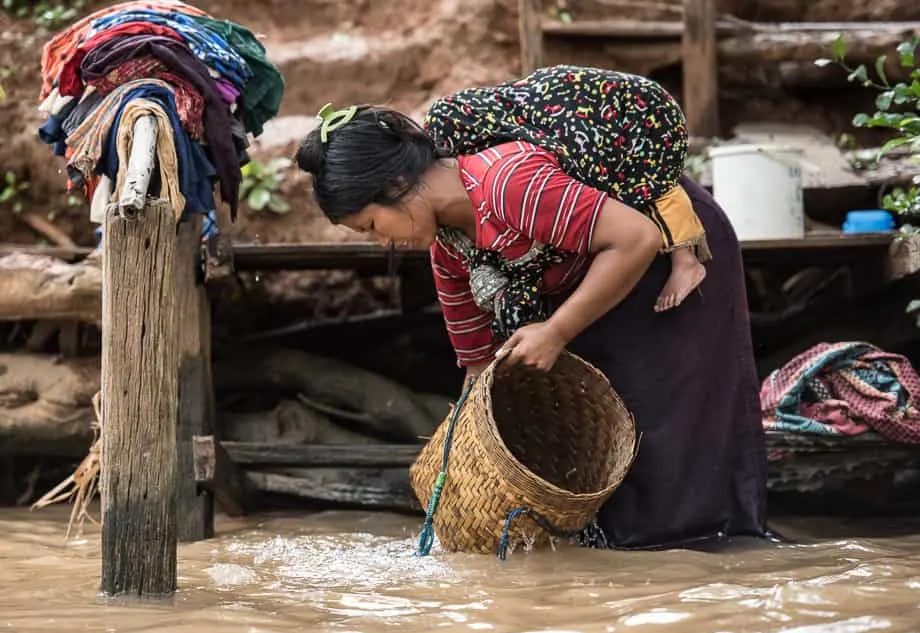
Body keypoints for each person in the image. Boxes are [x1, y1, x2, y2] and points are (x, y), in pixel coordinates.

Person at [294, 72, 768, 550]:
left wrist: (557, 331)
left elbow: (635, 239)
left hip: (661, 253)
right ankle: (635, 566)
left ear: (397, 183)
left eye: (373, 224)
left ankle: (719, 554)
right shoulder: (450, 249)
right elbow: (478, 365)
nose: (382, 242)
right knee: (610, 431)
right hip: (594, 272)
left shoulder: (507, 185)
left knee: (674, 418)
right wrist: (465, 456)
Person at [423, 66, 708, 313]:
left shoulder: (512, 164)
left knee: (656, 191)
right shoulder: (508, 136)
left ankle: (686, 261)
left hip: (638, 118)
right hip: (612, 119)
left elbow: (637, 230)